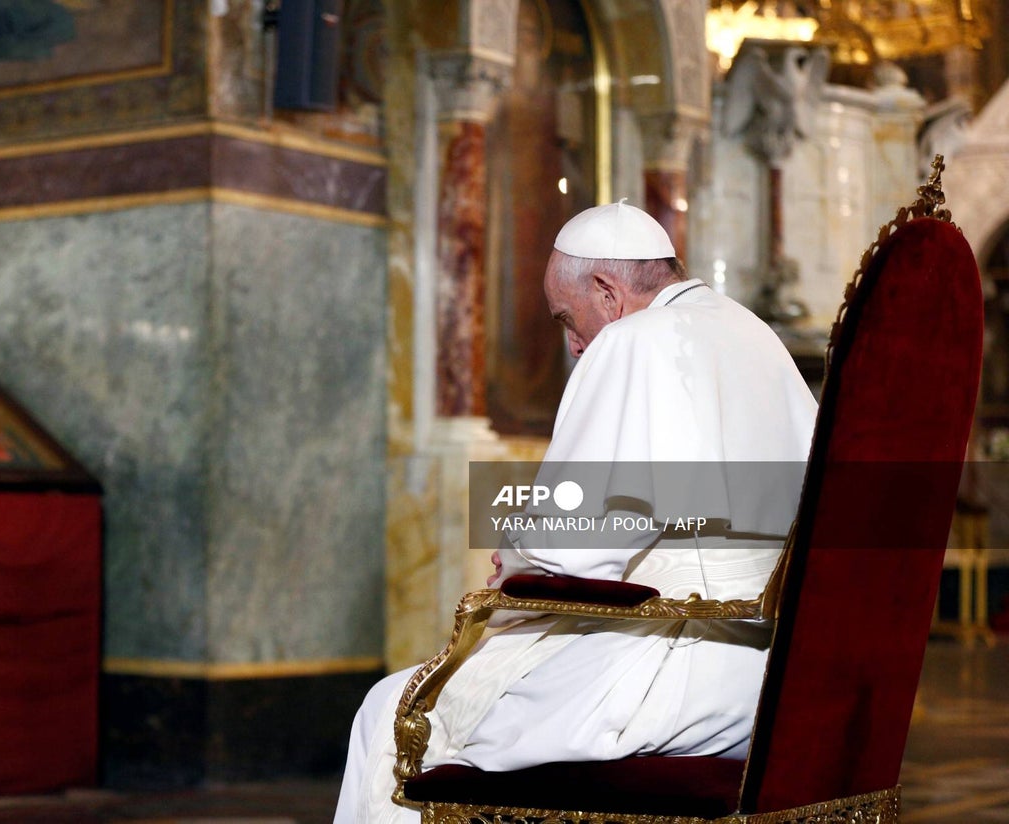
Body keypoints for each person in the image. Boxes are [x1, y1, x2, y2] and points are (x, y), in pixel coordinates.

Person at [334, 202, 818, 824]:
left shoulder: (631, 340)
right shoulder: (755, 334)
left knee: (394, 713)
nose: (572, 344)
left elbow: (573, 554)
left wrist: (515, 561)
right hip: (773, 681)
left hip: (673, 672)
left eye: (568, 318)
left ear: (608, 293)